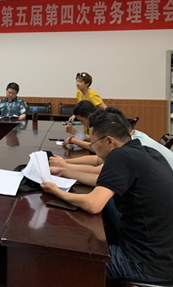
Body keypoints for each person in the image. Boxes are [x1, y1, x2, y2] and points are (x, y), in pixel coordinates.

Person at [42, 111, 173, 283]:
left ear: (110, 141)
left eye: (93, 143)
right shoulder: (146, 151)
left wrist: (57, 192)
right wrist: (64, 171)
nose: (93, 149)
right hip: (163, 256)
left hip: (144, 263)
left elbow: (93, 204)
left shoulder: (120, 156)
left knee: (64, 262)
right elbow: (103, 182)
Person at [51, 108, 173, 186]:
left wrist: (64, 168)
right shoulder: (133, 136)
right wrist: (65, 163)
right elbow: (98, 160)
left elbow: (100, 174)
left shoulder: (132, 150)